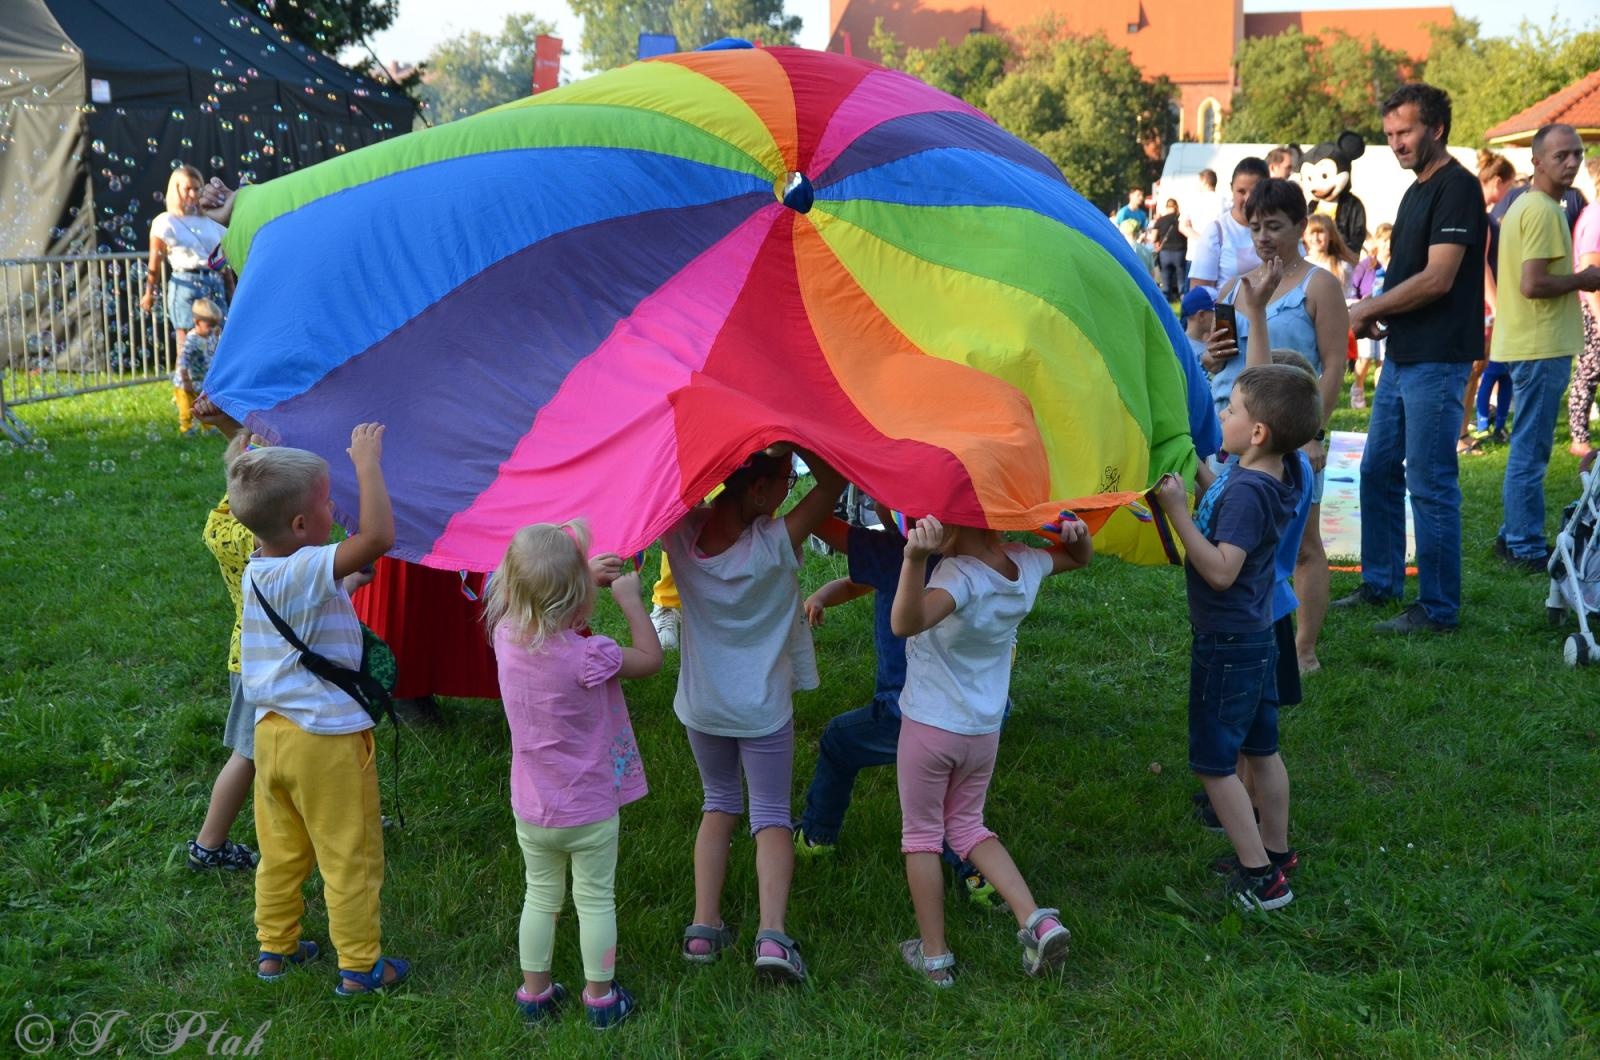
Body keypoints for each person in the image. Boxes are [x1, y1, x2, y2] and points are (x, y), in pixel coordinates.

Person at [233, 422, 412, 995]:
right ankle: (361, 967)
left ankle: (275, 950)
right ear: (302, 525)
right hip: (326, 744)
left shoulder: (262, 570)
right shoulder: (308, 565)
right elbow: (379, 535)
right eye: (327, 500)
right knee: (349, 855)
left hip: (272, 740)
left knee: (281, 852)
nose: (336, 505)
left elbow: (306, 619)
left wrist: (346, 587)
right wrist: (366, 462)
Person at [663, 447, 844, 984]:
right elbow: (834, 481)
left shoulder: (679, 533)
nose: (791, 489)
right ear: (759, 492)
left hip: (702, 706)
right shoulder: (773, 543)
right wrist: (796, 432)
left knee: (717, 804)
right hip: (762, 710)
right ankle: (771, 936)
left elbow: (667, 478)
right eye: (785, 482)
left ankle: (702, 928)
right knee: (770, 816)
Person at [888, 512, 1092, 985]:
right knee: (968, 826)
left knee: (921, 835)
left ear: (957, 527)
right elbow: (1078, 560)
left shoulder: (960, 576)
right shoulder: (1025, 565)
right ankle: (1036, 919)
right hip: (982, 729)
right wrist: (1078, 538)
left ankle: (934, 956)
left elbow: (905, 621)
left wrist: (914, 558)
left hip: (930, 726)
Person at [1151, 361, 1320, 912]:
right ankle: (1275, 851)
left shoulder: (1249, 492)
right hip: (1256, 638)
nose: (1221, 414)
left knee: (1213, 762)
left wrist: (1179, 515)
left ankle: (1261, 879)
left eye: (1230, 408)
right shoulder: (1279, 471)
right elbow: (1223, 484)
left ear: (1257, 434)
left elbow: (1221, 569)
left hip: (1228, 643)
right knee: (1261, 748)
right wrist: (1198, 473)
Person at [484, 521, 663, 1030]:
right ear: (578, 597)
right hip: (588, 808)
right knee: (595, 899)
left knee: (539, 895)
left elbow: (532, 596)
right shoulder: (589, 656)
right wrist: (629, 598)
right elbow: (650, 660)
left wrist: (578, 575)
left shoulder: (504, 637)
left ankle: (534, 994)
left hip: (533, 806)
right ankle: (600, 999)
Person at [793, 509, 1007, 912]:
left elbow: (820, 520)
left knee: (840, 741)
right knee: (958, 803)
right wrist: (823, 594)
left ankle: (816, 836)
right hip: (980, 714)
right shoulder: (990, 559)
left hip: (907, 713)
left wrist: (813, 458)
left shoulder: (894, 553)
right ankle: (981, 875)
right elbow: (863, 581)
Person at [1342, 83, 1488, 634]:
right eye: (1389, 135)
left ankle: (1438, 608)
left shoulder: (1458, 188)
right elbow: (1409, 275)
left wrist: (1368, 307)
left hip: (1439, 359)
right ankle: (1381, 584)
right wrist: (1383, 310)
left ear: (1436, 128)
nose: (1396, 143)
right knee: (1378, 470)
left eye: (1405, 132)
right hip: (1404, 355)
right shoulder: (1414, 191)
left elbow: (1438, 277)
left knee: (1429, 480)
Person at [1207, 180, 1348, 672]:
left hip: (1287, 432)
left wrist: (1313, 432)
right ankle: (1252, 637)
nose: (1263, 237)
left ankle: (1303, 648)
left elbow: (1333, 365)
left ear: (1300, 225)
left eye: (1274, 226)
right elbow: (1208, 351)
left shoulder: (1320, 285)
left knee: (1303, 543)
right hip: (1233, 432)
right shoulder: (1235, 285)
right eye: (1255, 227)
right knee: (1241, 541)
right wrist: (1208, 355)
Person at [1489, 124, 1600, 572]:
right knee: (1531, 450)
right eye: (1560, 156)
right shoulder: (1543, 211)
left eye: (1576, 154)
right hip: (1538, 344)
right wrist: (1584, 279)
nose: (1571, 162)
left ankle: (1512, 535)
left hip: (1532, 341)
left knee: (1527, 445)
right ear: (1536, 161)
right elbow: (1533, 284)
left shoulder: (1530, 205)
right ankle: (1524, 544)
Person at [185, 405, 263, 873]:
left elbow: (248, 467)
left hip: (248, 653)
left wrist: (229, 428)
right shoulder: (266, 542)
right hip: (267, 660)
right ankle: (208, 844)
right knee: (250, 754)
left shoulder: (224, 518)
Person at [141, 164, 228, 353]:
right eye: (187, 188)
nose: (193, 194)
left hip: (213, 280)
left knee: (220, 337)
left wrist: (233, 288)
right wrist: (149, 291)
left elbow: (224, 258)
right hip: (185, 282)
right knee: (188, 340)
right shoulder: (165, 221)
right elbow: (155, 261)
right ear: (176, 189)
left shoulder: (211, 219)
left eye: (197, 188)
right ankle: (186, 380)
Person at [1189, 158, 1270, 295]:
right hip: (1228, 315)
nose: (1248, 199)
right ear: (1231, 189)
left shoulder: (1280, 228)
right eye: (1241, 191)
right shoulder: (1216, 232)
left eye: (1255, 191)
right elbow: (1199, 293)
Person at [1570, 158, 1600, 460]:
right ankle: (1579, 438)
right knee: (1589, 370)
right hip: (1594, 306)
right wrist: (1598, 314)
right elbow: (1590, 267)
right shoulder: (1596, 216)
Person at [1346, 224, 1393, 410]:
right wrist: (1358, 303)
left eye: (1391, 240)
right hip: (1366, 314)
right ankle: (1357, 386)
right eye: (1384, 240)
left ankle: (1380, 395)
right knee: (1365, 357)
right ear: (1377, 241)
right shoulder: (1367, 265)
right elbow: (1353, 288)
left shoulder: (1396, 264)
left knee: (1383, 359)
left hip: (1386, 315)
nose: (1388, 244)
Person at [173, 298, 221, 435]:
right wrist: (186, 381)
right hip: (184, 383)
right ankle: (186, 428)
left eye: (214, 325)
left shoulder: (211, 335)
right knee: (186, 407)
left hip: (201, 382)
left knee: (204, 405)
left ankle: (208, 427)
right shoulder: (192, 339)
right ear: (197, 322)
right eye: (209, 325)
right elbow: (183, 362)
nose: (212, 329)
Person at [1181, 169, 1223, 288]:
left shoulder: (1192, 200)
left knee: (1192, 298)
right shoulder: (1224, 201)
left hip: (1195, 253)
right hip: (1219, 253)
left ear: (1204, 181)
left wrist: (1202, 239)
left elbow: (1183, 226)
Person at [1304, 214, 1356, 289]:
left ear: (1331, 235)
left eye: (1320, 232)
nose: (1315, 238)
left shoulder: (1342, 267)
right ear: (1304, 236)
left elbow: (1348, 296)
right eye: (1311, 233)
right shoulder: (1299, 265)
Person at [1154, 197, 1188, 300]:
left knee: (1165, 281)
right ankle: (1183, 302)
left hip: (1165, 253)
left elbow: (1153, 237)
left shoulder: (1160, 220)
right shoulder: (1180, 219)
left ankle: (1165, 303)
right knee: (1181, 281)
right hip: (1180, 252)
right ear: (1176, 207)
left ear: (1166, 207)